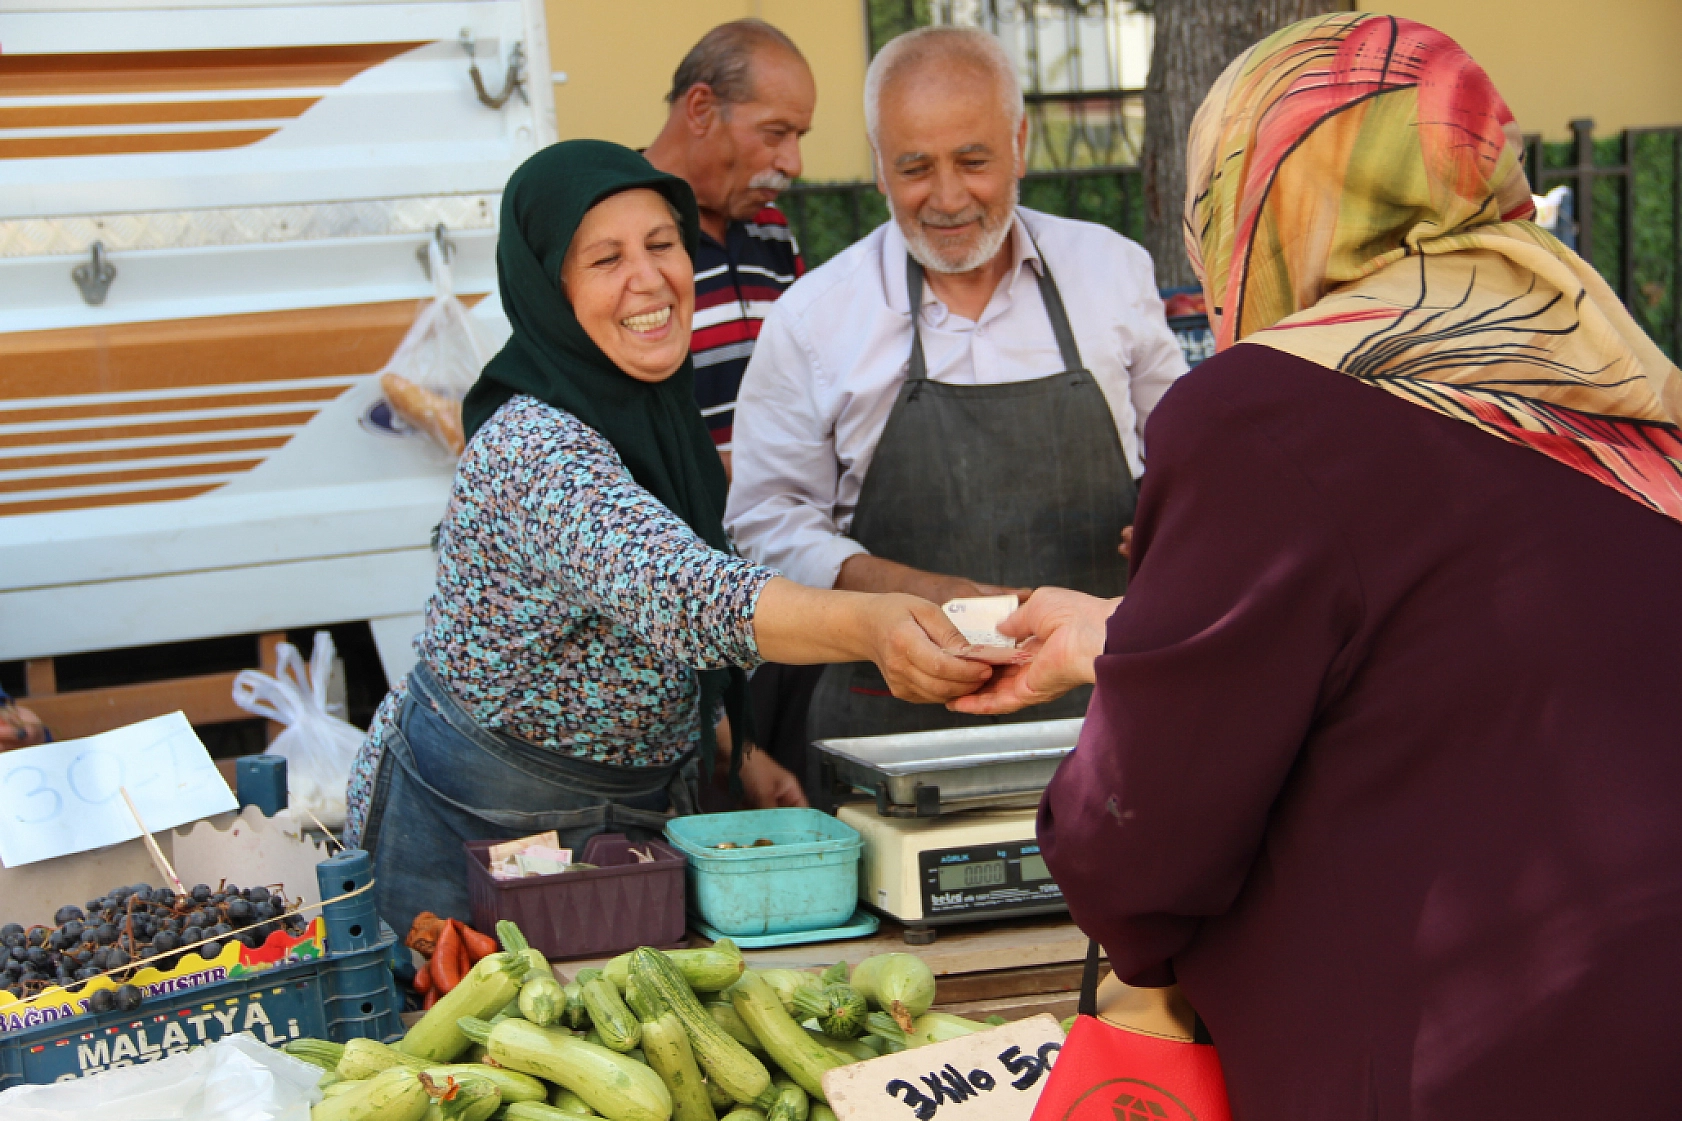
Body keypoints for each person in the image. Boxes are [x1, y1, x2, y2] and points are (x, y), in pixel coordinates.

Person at [956, 14, 1682, 1116]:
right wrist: (1126, 629)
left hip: (1441, 1056)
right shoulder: (1610, 367)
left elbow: (1141, 839)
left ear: (1256, 189)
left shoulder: (1260, 410)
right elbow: (1451, 641)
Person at [343, 141, 990, 938]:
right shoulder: (531, 445)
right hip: (470, 826)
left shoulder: (654, 416)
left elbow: (625, 628)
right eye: (606, 259)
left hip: (623, 818)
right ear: (552, 291)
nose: (648, 279)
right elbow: (681, 590)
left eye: (661, 244)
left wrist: (734, 751)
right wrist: (872, 623)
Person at [725, 26, 1187, 753]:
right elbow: (765, 524)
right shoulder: (814, 319)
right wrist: (918, 591)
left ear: (1021, 144)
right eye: (914, 168)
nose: (946, 198)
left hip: (1113, 717)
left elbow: (1187, 453)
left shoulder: (1110, 273)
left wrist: (1176, 517)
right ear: (878, 166)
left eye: (973, 160)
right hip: (890, 731)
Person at [643, 19, 813, 478]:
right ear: (700, 109)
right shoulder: (617, 226)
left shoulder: (772, 230)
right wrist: (743, 472)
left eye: (800, 136)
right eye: (775, 133)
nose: (792, 163)